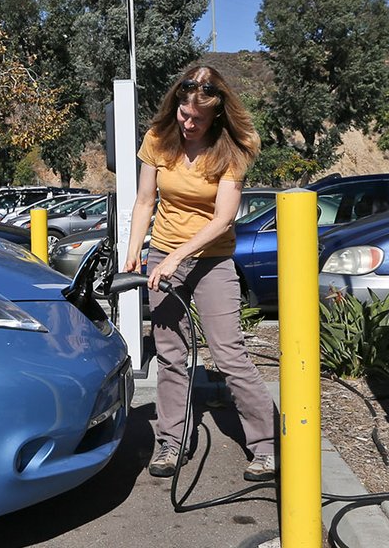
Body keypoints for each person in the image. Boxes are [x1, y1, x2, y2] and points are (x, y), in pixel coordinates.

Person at [123, 66, 277, 481]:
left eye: (198, 119)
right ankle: (171, 444)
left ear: (217, 117)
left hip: (212, 259)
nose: (188, 124)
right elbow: (143, 202)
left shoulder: (234, 150)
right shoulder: (158, 139)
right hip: (163, 254)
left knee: (228, 355)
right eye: (183, 114)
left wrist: (178, 257)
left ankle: (265, 446)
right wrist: (135, 249)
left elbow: (224, 220)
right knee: (170, 355)